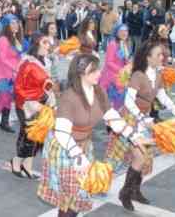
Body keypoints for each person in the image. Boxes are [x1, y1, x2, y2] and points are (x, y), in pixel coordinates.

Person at [38, 54, 149, 217]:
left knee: (76, 199)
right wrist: (78, 157)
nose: (99, 73)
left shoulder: (98, 91)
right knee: (71, 197)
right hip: (64, 149)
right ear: (81, 73)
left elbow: (111, 117)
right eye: (94, 70)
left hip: (83, 146)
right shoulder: (70, 97)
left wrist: (132, 135)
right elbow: (62, 133)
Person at [105, 40, 175, 211]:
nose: (162, 57)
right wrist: (142, 118)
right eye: (158, 54)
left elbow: (162, 96)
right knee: (136, 157)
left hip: (145, 120)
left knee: (144, 160)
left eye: (162, 54)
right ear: (148, 57)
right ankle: (124, 193)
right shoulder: (138, 75)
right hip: (131, 119)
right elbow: (128, 101)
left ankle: (134, 191)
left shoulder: (157, 74)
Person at [11, 33, 55, 180]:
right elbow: (18, 87)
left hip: (41, 103)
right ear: (37, 44)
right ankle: (17, 161)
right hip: (26, 104)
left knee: (37, 136)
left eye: (48, 43)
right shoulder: (27, 63)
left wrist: (51, 99)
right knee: (27, 135)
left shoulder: (46, 61)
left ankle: (28, 165)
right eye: (45, 43)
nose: (48, 46)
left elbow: (48, 84)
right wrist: (28, 103)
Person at [99, 24, 132, 110]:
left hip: (122, 75)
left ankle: (118, 117)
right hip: (111, 77)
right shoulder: (113, 44)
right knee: (112, 100)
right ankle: (110, 120)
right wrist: (122, 70)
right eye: (121, 31)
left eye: (126, 31)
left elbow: (125, 59)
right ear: (116, 33)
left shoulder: (124, 44)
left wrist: (129, 65)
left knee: (122, 99)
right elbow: (109, 62)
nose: (124, 33)